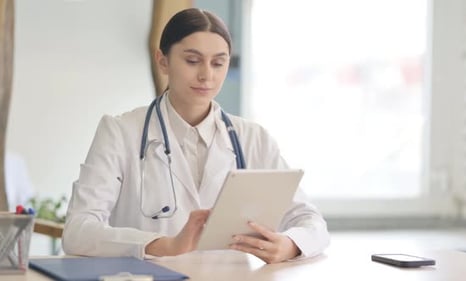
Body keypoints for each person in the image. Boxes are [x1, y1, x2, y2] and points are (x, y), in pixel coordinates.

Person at [62, 8, 330, 264]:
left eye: (218, 63)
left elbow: (311, 221)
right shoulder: (120, 132)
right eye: (192, 61)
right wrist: (162, 245)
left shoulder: (253, 138)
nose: (207, 75)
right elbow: (78, 230)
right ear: (163, 61)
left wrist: (290, 244)